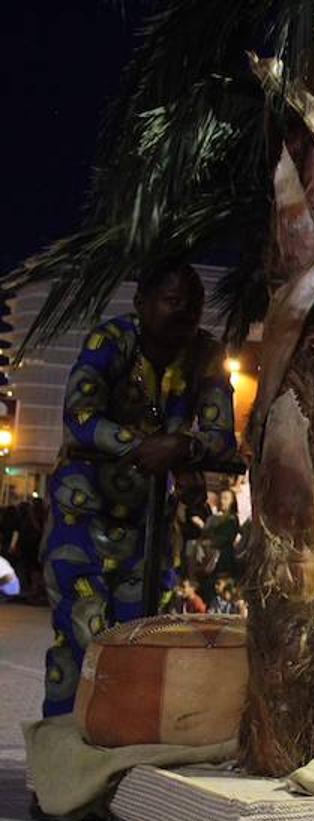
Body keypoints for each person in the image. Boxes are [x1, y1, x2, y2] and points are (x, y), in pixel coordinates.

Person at [39, 259, 236, 717]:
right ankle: (62, 762)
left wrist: (182, 448)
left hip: (150, 528)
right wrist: (149, 447)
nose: (184, 311)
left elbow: (221, 436)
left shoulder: (206, 355)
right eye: (171, 300)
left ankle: (121, 758)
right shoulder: (110, 341)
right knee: (84, 639)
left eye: (194, 303)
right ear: (142, 303)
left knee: (145, 641)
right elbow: (81, 417)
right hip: (83, 518)